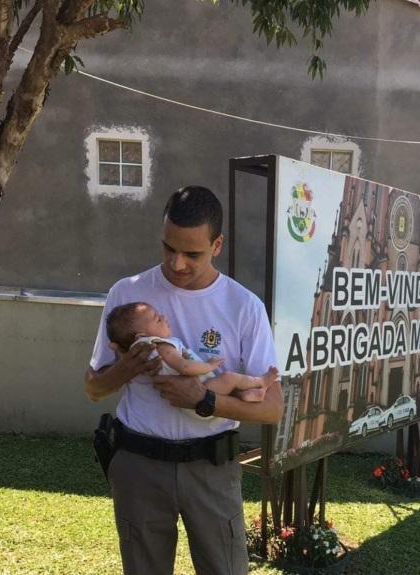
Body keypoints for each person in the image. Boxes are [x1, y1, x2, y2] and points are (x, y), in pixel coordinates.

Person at [85, 186, 283, 575]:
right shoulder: (128, 294)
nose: (176, 264)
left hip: (211, 468)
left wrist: (204, 400)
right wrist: (128, 367)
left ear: (217, 244)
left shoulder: (244, 306)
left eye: (192, 253)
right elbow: (93, 388)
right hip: (139, 466)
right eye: (168, 248)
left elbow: (273, 408)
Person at [106, 300, 278, 402]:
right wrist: (209, 366)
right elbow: (185, 367)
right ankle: (260, 381)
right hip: (199, 391)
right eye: (158, 319)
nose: (164, 318)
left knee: (227, 384)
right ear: (142, 336)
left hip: (197, 392)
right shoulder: (160, 346)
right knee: (228, 377)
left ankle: (246, 394)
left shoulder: (140, 351)